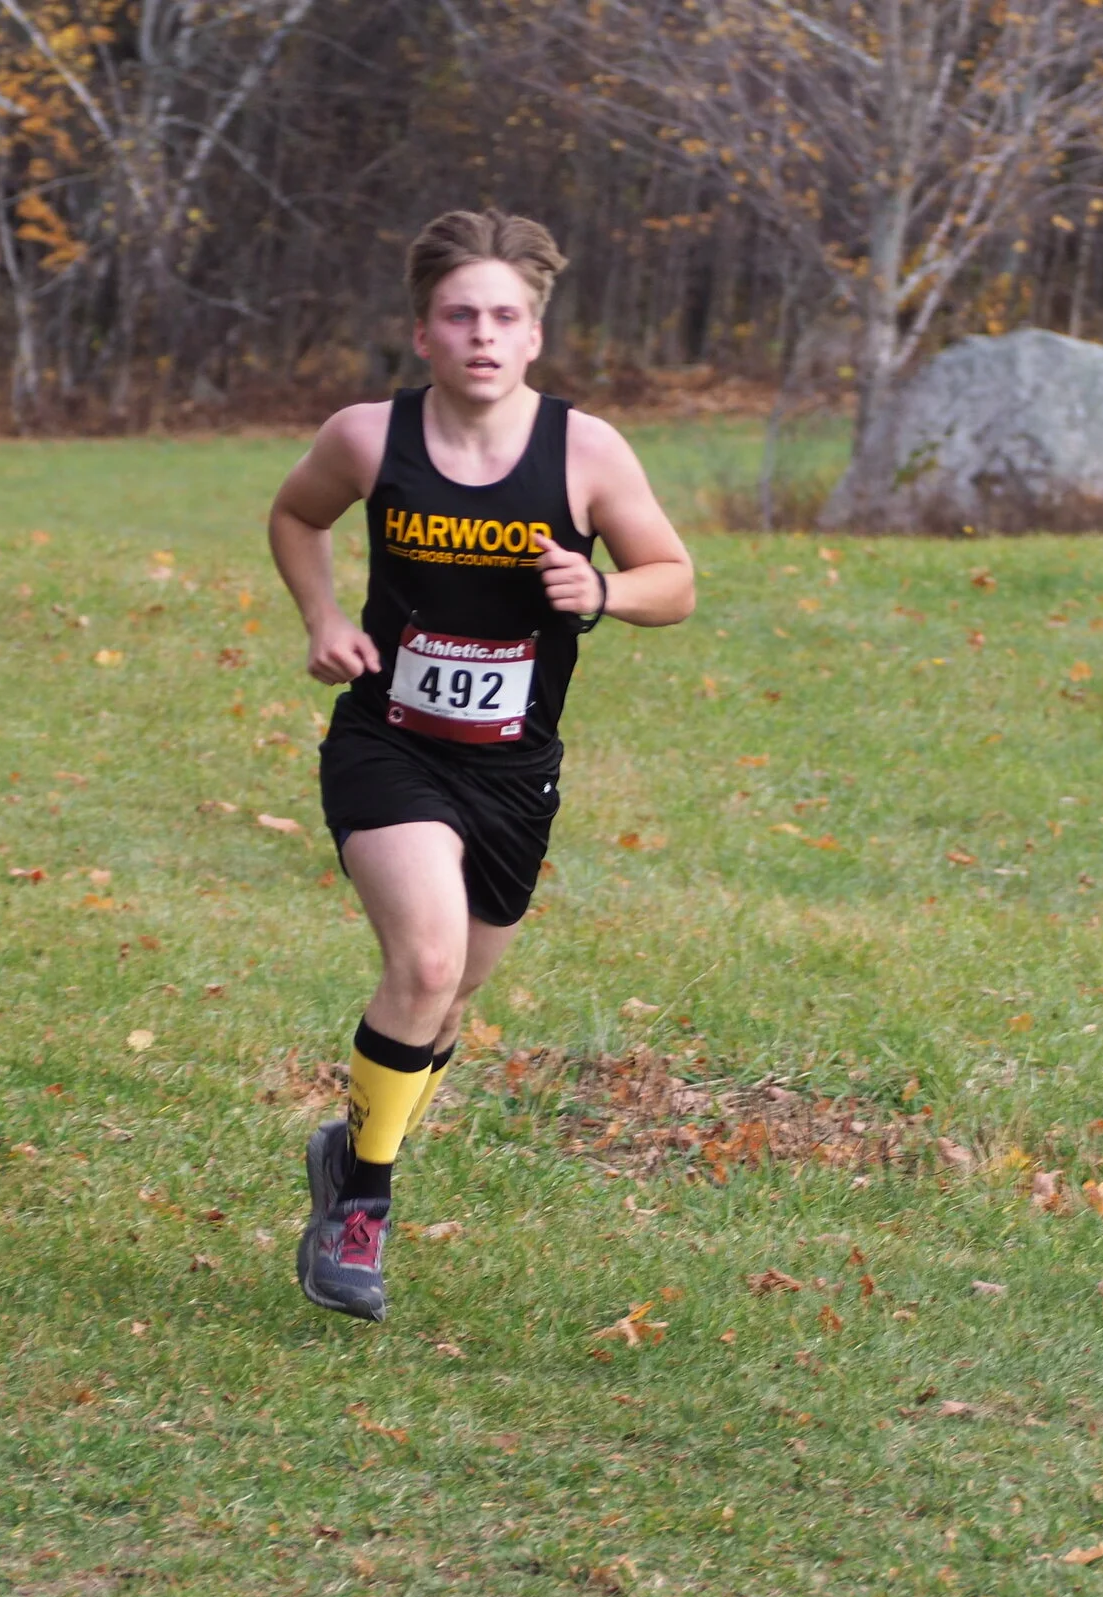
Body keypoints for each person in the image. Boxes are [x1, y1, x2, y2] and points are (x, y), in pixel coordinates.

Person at [267, 209, 696, 1322]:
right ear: (422, 332)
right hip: (389, 743)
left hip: (513, 770)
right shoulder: (369, 437)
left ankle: (350, 1145)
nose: (483, 336)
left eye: (505, 316)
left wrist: (604, 591)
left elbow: (675, 581)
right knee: (423, 961)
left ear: (535, 336)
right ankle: (361, 1209)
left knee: (449, 998)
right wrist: (321, 617)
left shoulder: (586, 452)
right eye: (461, 315)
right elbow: (296, 514)